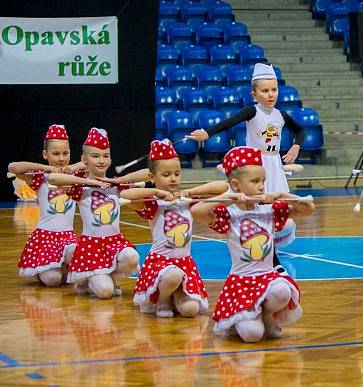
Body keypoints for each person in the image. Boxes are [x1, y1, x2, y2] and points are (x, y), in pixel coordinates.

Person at [186, 63, 305, 274]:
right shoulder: (252, 111)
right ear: (254, 93)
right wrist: (207, 133)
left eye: (274, 90)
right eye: (265, 91)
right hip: (255, 165)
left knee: (275, 212)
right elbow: (229, 122)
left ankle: (267, 251)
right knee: (258, 209)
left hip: (274, 165)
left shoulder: (281, 115)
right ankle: (273, 262)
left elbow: (300, 130)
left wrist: (296, 144)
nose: (270, 94)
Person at [192, 146, 314, 342]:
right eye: (255, 181)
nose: (261, 186)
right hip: (241, 282)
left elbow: (308, 209)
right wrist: (227, 197)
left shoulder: (269, 210)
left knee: (282, 291)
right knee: (252, 336)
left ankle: (267, 315)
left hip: (267, 278)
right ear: (236, 185)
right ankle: (252, 316)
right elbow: (197, 212)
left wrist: (282, 196)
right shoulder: (229, 215)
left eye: (263, 181)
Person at [122, 140, 226, 318]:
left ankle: (175, 296)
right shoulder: (153, 203)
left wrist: (190, 192)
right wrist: (157, 193)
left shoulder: (185, 201)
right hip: (161, 264)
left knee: (191, 310)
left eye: (177, 173)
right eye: (166, 174)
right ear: (152, 177)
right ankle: (162, 299)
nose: (173, 178)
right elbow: (125, 194)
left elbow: (224, 187)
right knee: (172, 276)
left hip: (184, 263)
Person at [49, 128, 146, 298]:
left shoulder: (115, 185)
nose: (101, 161)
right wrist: (88, 182)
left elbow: (149, 174)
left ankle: (107, 275)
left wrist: (117, 181)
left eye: (105, 156)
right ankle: (86, 281)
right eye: (95, 156)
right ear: (84, 159)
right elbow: (54, 179)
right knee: (106, 293)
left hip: (115, 243)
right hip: (92, 248)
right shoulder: (81, 189)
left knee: (132, 257)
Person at [9, 124, 84, 286]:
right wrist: (47, 168)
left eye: (65, 153)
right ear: (45, 154)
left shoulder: (75, 176)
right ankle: (47, 269)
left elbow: (89, 163)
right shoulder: (40, 178)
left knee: (77, 256)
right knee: (53, 281)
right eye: (55, 154)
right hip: (45, 238)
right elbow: (13, 167)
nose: (61, 158)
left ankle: (63, 265)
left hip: (68, 237)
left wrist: (72, 168)